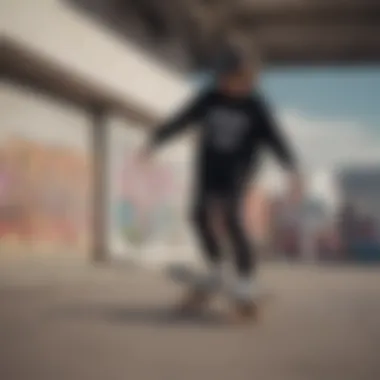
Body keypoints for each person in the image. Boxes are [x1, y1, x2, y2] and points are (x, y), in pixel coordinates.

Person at [139, 45, 302, 321]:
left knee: (231, 219)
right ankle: (216, 269)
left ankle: (245, 284)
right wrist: (155, 141)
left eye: (233, 80)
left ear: (247, 78)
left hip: (238, 173)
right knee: (198, 216)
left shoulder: (256, 106)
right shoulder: (209, 98)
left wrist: (292, 170)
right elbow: (182, 119)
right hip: (208, 169)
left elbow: (276, 139)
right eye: (222, 80)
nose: (225, 85)